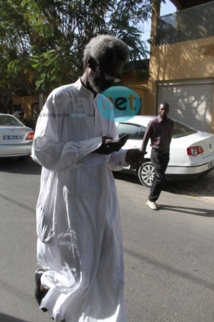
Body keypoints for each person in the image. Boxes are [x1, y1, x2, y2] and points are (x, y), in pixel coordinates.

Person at [31, 34, 144, 322]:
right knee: (75, 272)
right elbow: (42, 151)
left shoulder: (106, 106)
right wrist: (91, 145)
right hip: (69, 202)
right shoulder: (61, 98)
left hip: (102, 202)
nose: (110, 82)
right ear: (90, 64)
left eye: (115, 78)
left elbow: (108, 156)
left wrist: (124, 156)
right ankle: (47, 286)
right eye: (107, 74)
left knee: (107, 269)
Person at [141, 102, 174, 210]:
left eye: (166, 109)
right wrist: (142, 152)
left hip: (166, 153)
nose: (164, 111)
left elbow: (169, 136)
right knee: (160, 177)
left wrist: (167, 148)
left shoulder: (170, 123)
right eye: (162, 109)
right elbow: (145, 139)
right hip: (156, 153)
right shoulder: (153, 123)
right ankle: (151, 200)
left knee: (157, 176)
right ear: (158, 110)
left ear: (168, 110)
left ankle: (149, 199)